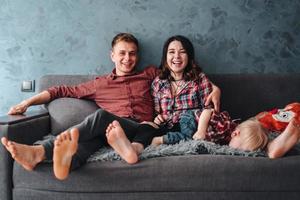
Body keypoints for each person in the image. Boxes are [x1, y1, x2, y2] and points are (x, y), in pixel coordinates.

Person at [1, 33, 221, 180]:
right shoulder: (99, 84)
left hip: (141, 128)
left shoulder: (150, 74)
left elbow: (182, 75)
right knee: (90, 142)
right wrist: (26, 102)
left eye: (132, 53)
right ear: (112, 55)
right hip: (112, 134)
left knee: (102, 116)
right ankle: (66, 164)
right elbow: (60, 91)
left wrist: (215, 88)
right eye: (122, 53)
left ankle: (40, 151)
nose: (128, 58)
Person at [146, 35, 217, 146]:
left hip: (192, 126)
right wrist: (157, 119)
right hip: (167, 127)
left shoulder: (199, 79)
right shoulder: (158, 83)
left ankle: (168, 140)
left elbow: (209, 109)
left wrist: (201, 130)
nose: (177, 56)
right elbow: (156, 113)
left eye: (182, 52)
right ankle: (173, 139)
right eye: (171, 52)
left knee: (191, 125)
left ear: (189, 56)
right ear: (165, 57)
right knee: (145, 130)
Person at [193, 108, 300, 158]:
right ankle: (273, 145)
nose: (235, 152)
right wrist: (201, 130)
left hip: (261, 125)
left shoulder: (237, 134)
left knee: (261, 135)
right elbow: (207, 111)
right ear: (235, 134)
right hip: (192, 121)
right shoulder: (225, 126)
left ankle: (272, 147)